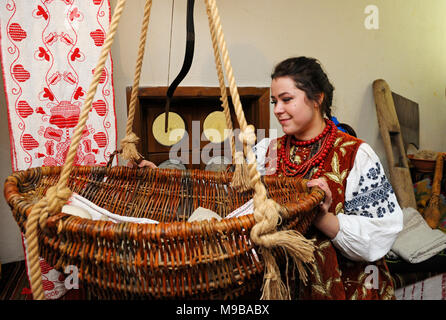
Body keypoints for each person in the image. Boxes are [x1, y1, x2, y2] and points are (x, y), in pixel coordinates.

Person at [252, 56, 403, 300]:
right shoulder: (265, 153)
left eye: (286, 99)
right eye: (274, 101)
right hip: (285, 287)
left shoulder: (356, 154)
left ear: (317, 98)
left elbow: (380, 233)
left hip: (345, 286)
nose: (277, 109)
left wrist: (322, 217)